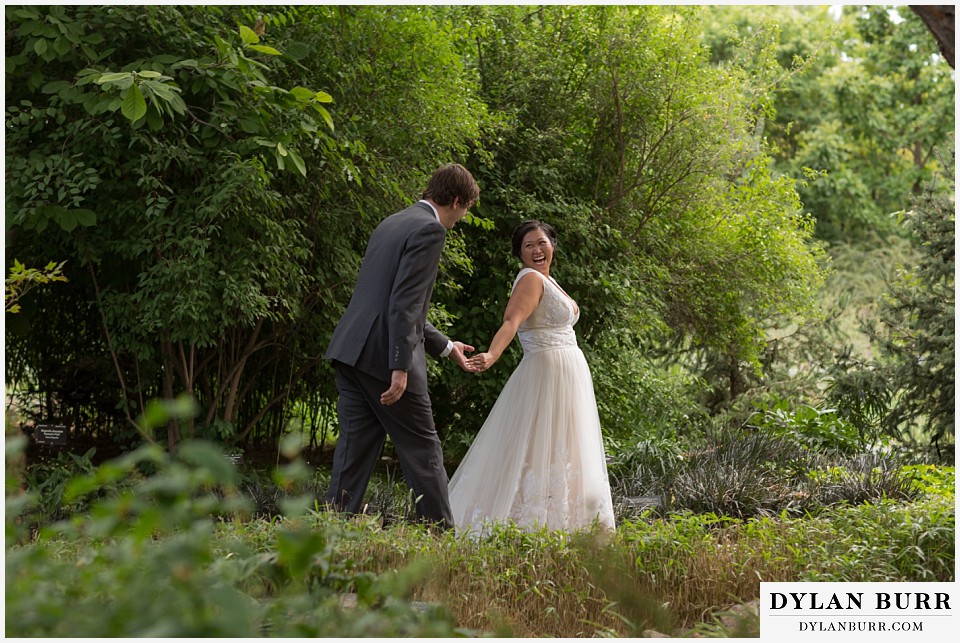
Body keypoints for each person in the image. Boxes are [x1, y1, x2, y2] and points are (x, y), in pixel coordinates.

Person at [324, 163, 480, 529]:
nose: (461, 218)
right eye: (465, 209)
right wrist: (399, 366)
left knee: (352, 455)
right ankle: (440, 539)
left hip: (351, 351)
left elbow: (393, 302)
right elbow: (404, 305)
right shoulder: (431, 230)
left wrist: (445, 347)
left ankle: (329, 535)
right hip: (383, 360)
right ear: (456, 200)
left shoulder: (391, 222)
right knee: (423, 450)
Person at [449, 220, 616, 535]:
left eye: (542, 243)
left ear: (552, 244)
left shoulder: (548, 280)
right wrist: (493, 354)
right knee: (535, 444)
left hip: (569, 377)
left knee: (563, 445)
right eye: (529, 246)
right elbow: (511, 320)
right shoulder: (529, 279)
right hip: (546, 375)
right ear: (520, 254)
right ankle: (522, 522)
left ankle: (567, 521)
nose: (537, 250)